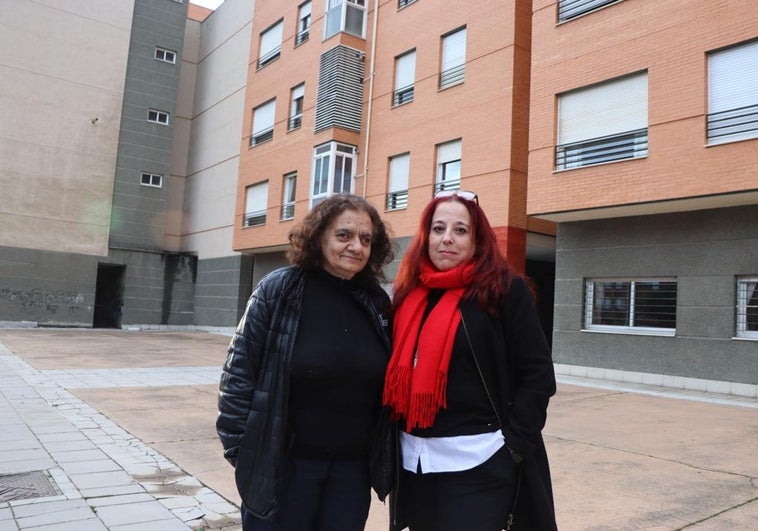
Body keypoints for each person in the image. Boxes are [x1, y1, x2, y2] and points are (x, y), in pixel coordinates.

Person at [216, 193, 395, 531]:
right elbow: (237, 377)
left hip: (350, 474)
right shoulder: (279, 291)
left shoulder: (376, 303)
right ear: (319, 237)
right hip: (285, 470)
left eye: (366, 239)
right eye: (344, 235)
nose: (356, 246)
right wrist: (246, 454)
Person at [383, 190, 557, 531]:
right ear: (425, 236)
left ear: (478, 240)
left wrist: (511, 449)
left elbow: (537, 376)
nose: (447, 238)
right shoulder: (407, 294)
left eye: (460, 230)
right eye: (438, 229)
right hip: (415, 466)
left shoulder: (504, 292)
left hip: (480, 463)